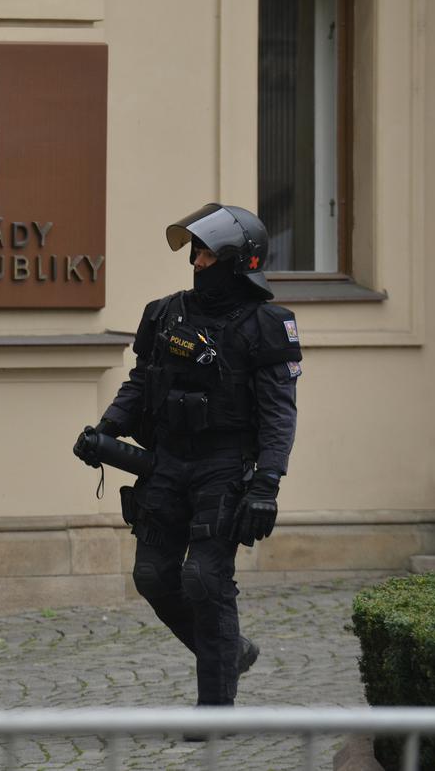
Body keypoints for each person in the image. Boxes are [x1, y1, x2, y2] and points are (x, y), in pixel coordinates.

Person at [73, 204, 301, 713]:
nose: (196, 262)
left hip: (224, 468)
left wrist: (266, 485)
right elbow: (141, 381)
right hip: (165, 464)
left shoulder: (267, 325)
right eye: (194, 252)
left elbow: (278, 414)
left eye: (205, 253)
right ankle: (230, 652)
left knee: (204, 579)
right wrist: (106, 429)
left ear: (238, 261)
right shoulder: (163, 313)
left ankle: (215, 706)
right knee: (153, 576)